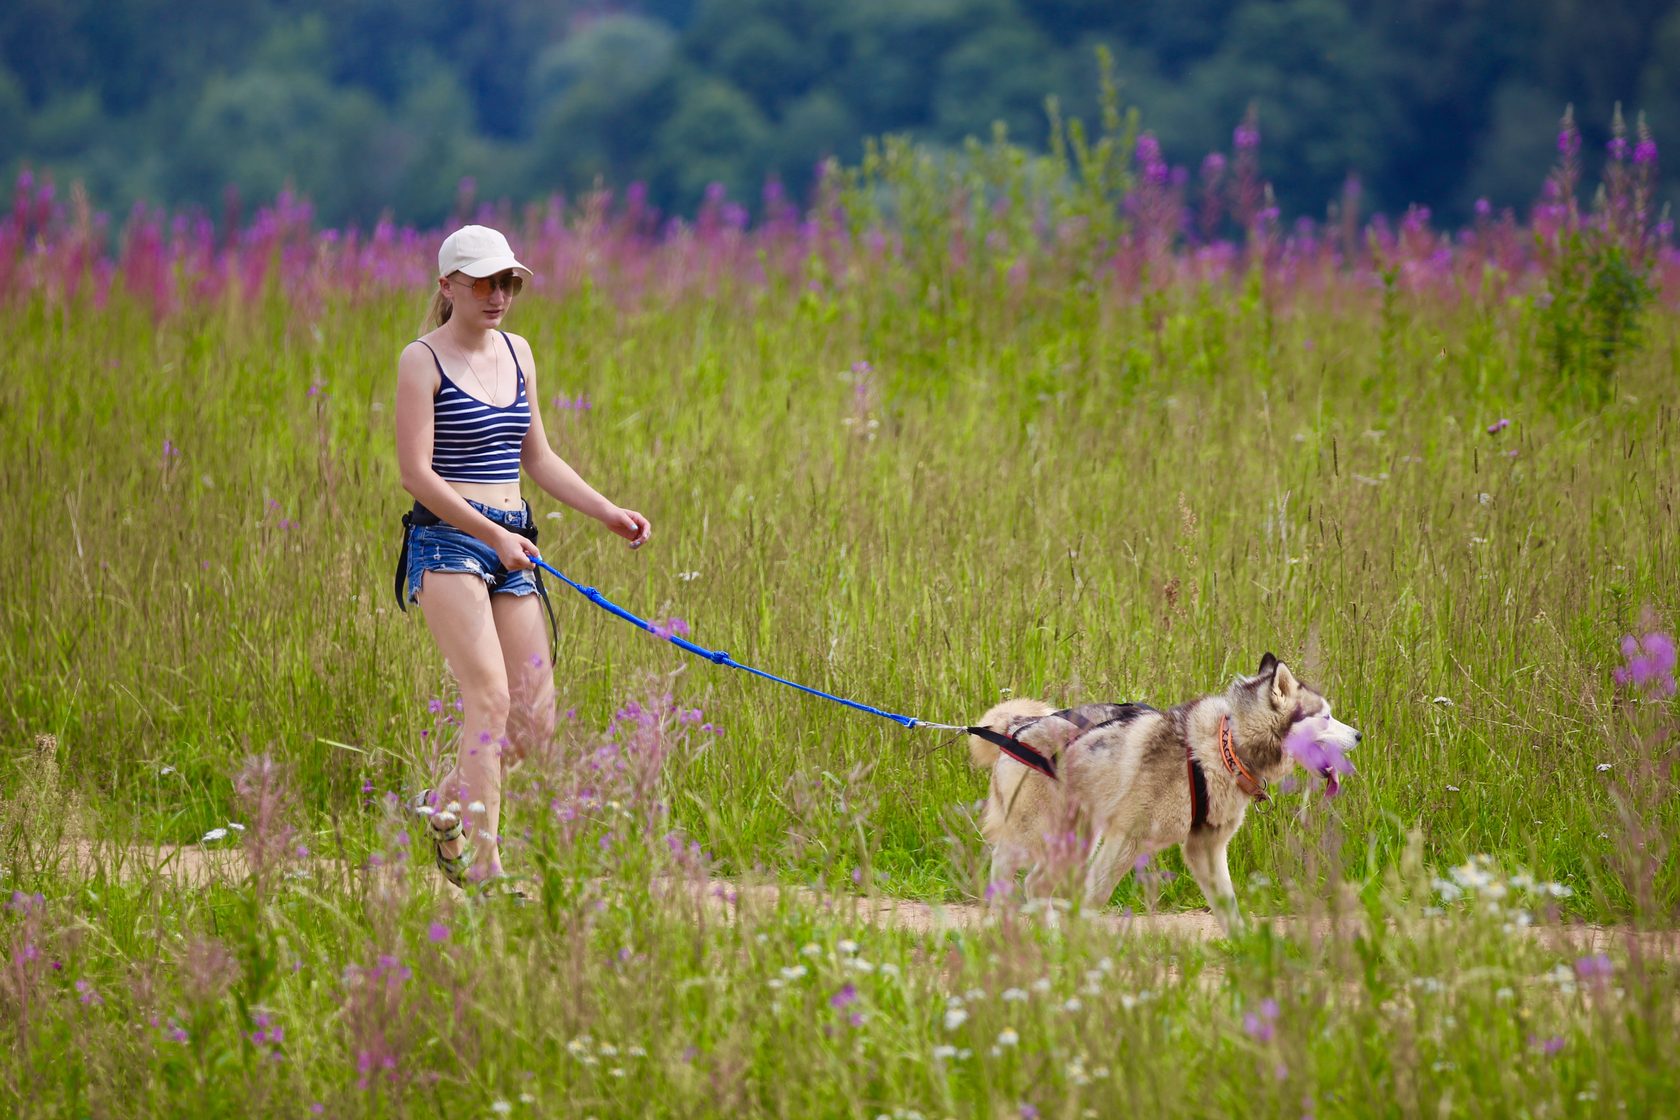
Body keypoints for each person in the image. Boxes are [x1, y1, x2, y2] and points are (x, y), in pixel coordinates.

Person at [395, 224, 650, 890]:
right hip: (449, 541)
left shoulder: (519, 353)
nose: (498, 294)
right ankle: (485, 865)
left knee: (534, 723)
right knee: (490, 697)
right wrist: (492, 535)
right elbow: (417, 475)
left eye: (507, 281)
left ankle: (449, 803)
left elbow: (536, 457)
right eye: (483, 282)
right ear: (448, 285)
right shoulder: (421, 360)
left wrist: (607, 513)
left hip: (515, 540)